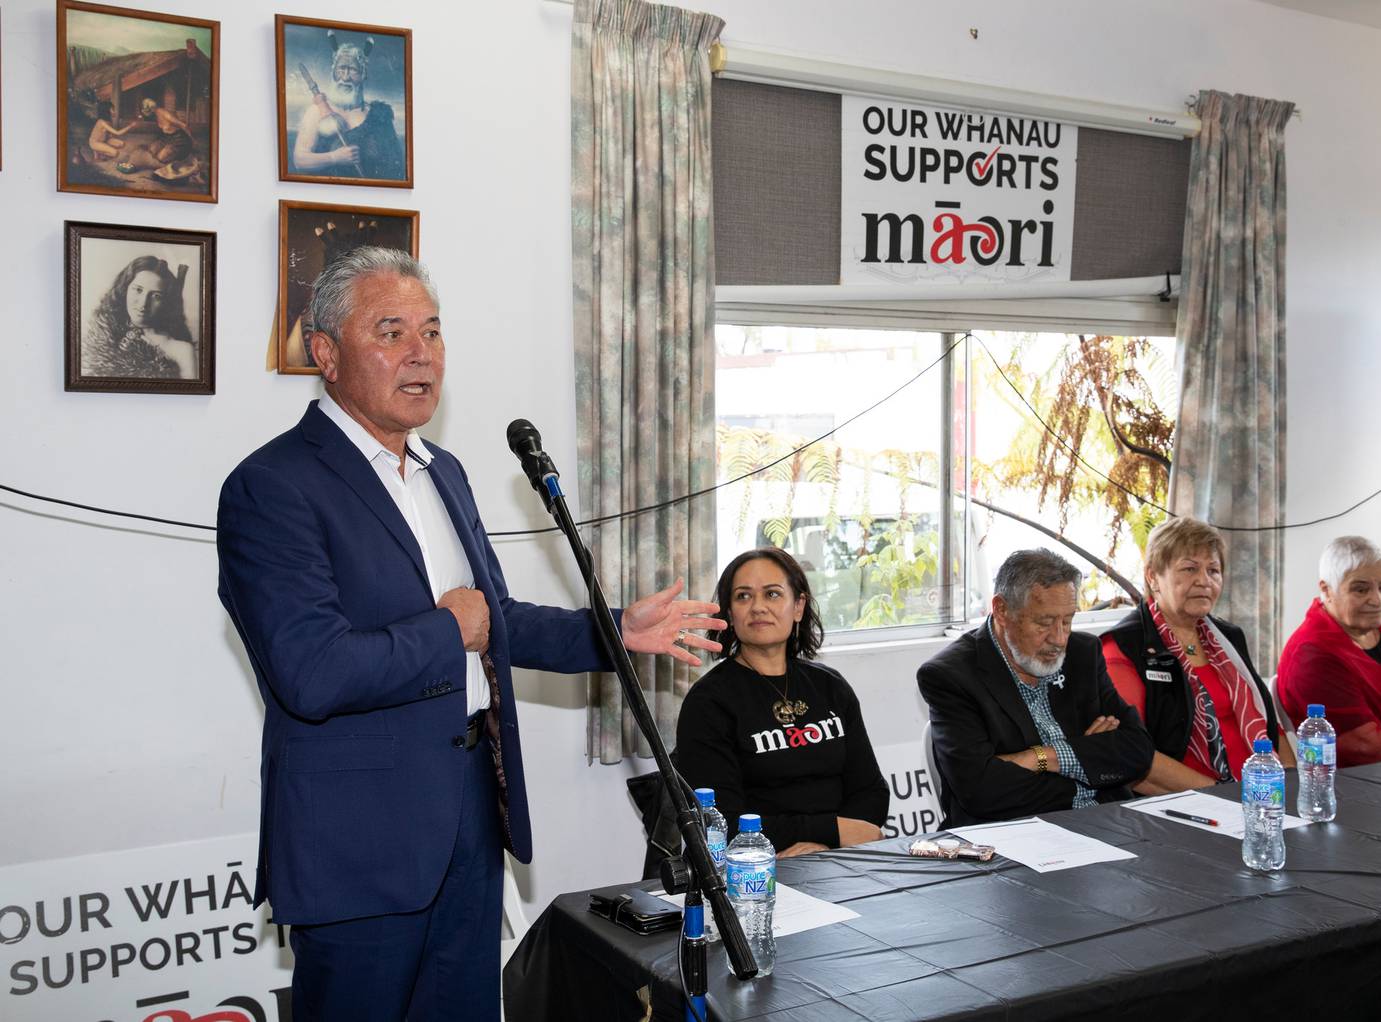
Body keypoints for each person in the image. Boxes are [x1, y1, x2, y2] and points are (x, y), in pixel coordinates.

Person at [215, 246, 724, 1021]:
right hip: (359, 845)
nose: (421, 353)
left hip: (468, 819)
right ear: (325, 353)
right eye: (391, 332)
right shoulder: (272, 487)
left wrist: (617, 630)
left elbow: (499, 624)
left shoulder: (442, 470)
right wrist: (446, 627)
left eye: (433, 331)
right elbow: (310, 671)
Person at [674, 548, 889, 857]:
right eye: (743, 597)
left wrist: (824, 847)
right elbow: (720, 823)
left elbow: (871, 792)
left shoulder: (831, 687)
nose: (758, 607)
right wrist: (833, 832)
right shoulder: (708, 702)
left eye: (772, 594)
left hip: (842, 858)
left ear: (798, 606)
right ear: (730, 615)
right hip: (757, 867)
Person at [918, 549, 1153, 825]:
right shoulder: (951, 676)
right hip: (1011, 837)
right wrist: (1087, 763)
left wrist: (1042, 757)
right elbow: (981, 790)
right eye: (1044, 623)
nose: (1060, 638)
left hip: (1103, 822)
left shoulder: (1083, 654)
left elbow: (1138, 750)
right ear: (1002, 610)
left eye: (1068, 620)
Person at [1102, 517, 1293, 793]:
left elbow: (1269, 724)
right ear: (1153, 576)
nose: (1204, 581)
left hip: (1263, 794)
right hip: (1191, 804)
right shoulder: (1124, 647)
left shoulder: (1229, 637)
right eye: (1190, 568)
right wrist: (1223, 795)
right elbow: (1130, 754)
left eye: (1213, 571)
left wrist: (1291, 782)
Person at [1277, 536, 1381, 765]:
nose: (1377, 600)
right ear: (1327, 589)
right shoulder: (1312, 656)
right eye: (1361, 590)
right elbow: (1364, 745)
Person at [292, 33, 405, 179]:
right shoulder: (317, 111)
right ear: (333, 72)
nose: (345, 77)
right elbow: (299, 160)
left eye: (353, 70)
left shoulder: (379, 115)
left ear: (363, 74)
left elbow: (395, 165)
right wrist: (334, 157)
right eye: (341, 69)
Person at [82, 255, 196, 379]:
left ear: (166, 301)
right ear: (125, 289)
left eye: (156, 296)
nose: (143, 303)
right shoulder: (101, 334)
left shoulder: (181, 351)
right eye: (138, 290)